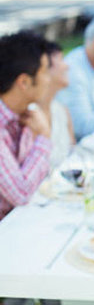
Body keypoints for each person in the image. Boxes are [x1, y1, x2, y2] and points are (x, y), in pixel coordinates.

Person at [0, 31, 52, 220]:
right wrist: (44, 137)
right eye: (45, 71)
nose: (49, 79)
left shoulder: (23, 115)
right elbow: (21, 193)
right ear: (23, 82)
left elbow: (37, 178)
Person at [39, 41, 75, 170]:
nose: (67, 66)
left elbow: (74, 157)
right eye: (61, 60)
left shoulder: (61, 110)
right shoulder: (28, 117)